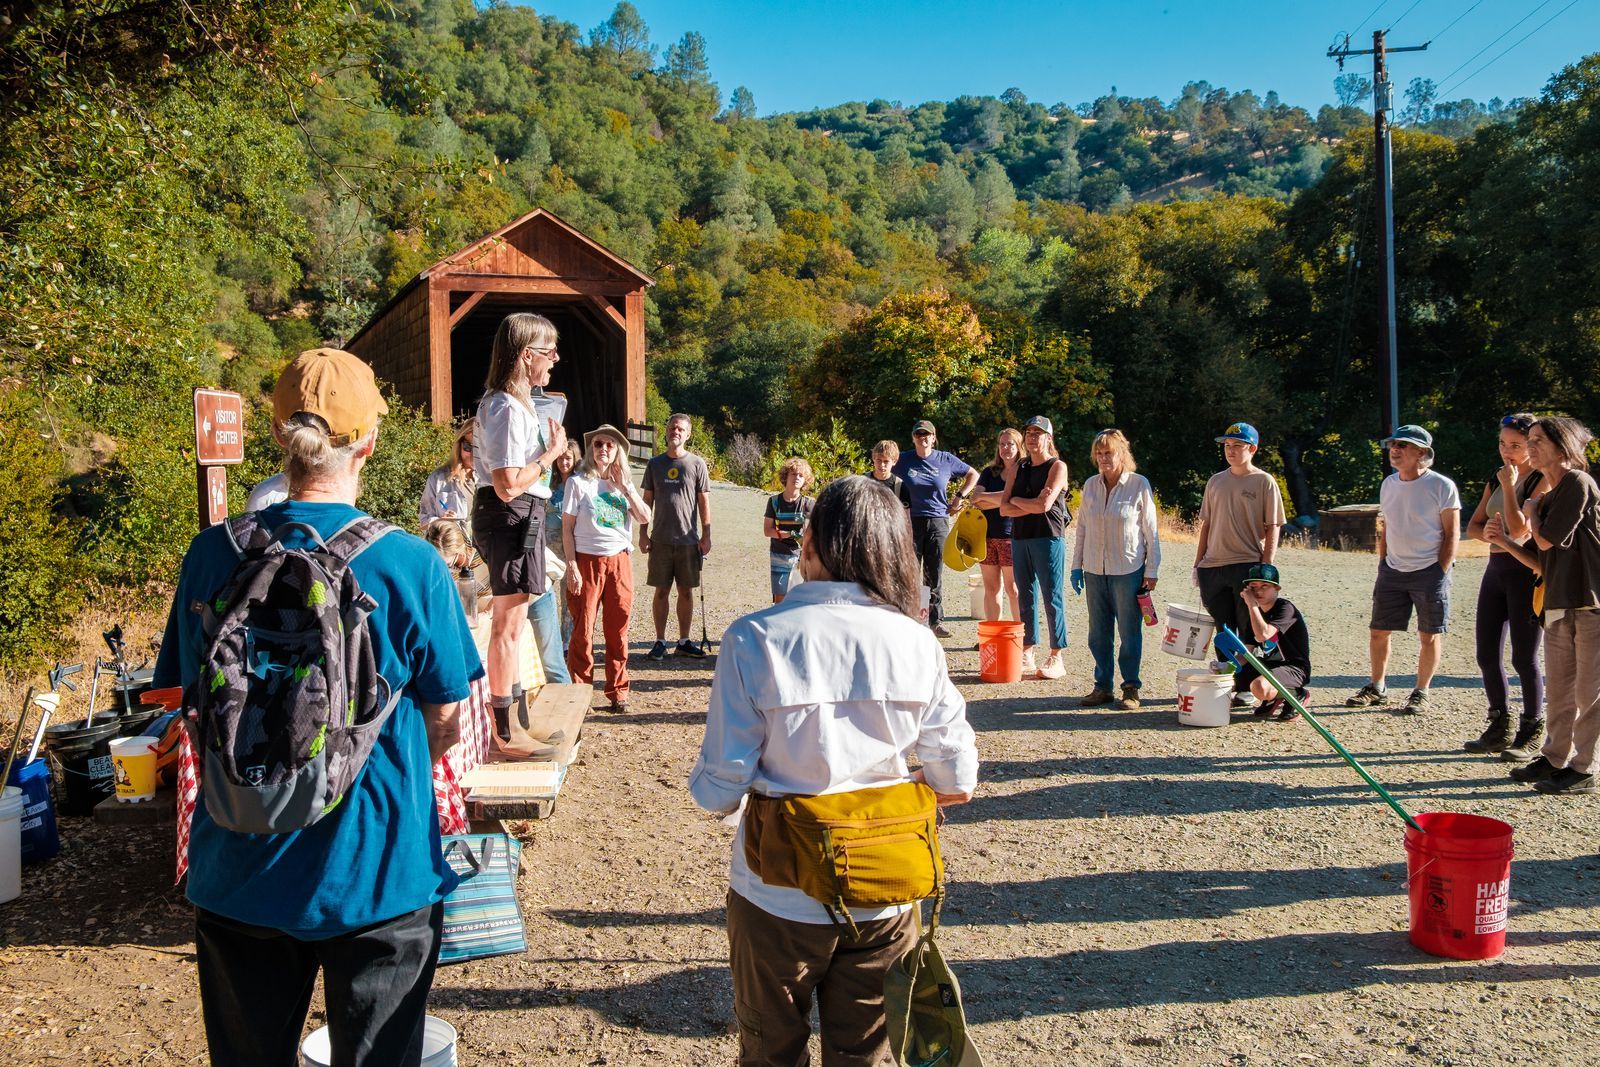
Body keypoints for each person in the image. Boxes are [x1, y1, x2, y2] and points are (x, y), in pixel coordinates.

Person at [152, 348, 478, 1066]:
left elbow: (188, 704)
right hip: (378, 872)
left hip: (238, 870)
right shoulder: (410, 563)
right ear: (368, 441)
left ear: (277, 437)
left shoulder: (211, 556)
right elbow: (447, 720)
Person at [689, 476, 979, 1066]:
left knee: (771, 1050)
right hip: (885, 892)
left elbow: (719, 791)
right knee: (866, 1054)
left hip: (777, 895)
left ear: (812, 544)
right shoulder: (917, 643)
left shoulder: (753, 638)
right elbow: (956, 780)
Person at [472, 313, 569, 744]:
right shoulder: (507, 407)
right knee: (508, 629)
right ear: (527, 356)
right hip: (509, 516)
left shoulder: (512, 404)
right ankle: (506, 736)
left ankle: (515, 729)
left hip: (516, 518)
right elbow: (507, 484)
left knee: (514, 626)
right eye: (549, 352)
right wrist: (551, 455)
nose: (556, 359)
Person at [1506, 417, 1600, 795]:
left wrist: (1530, 509)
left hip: (1590, 603)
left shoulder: (1577, 482)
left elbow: (1547, 541)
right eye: (1529, 439)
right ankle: (1554, 757)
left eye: (1538, 440)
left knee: (1588, 692)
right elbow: (1541, 560)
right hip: (1559, 602)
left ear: (1563, 447)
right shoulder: (1552, 494)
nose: (1530, 446)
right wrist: (1508, 542)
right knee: (1560, 689)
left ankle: (1583, 768)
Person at [1346, 425, 1461, 714]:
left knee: (1429, 635)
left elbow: (1452, 533)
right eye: (1393, 444)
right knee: (1378, 631)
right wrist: (1383, 561)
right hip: (1392, 570)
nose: (1394, 450)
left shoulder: (1441, 486)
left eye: (1403, 445)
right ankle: (1377, 686)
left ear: (1421, 452)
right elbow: (1387, 526)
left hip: (1429, 570)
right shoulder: (1389, 484)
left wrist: (1441, 569)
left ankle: (1421, 691)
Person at [1462, 414, 1546, 756]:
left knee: (1524, 657)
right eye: (1502, 444)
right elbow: (1474, 526)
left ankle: (1532, 727)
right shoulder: (1494, 479)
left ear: (1532, 445)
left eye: (1515, 445)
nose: (1507, 451)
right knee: (1486, 653)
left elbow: (1520, 530)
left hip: (1525, 572)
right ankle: (1499, 723)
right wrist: (1494, 532)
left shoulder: (1540, 481)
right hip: (1495, 569)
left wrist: (1511, 487)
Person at [1194, 422, 1286, 707]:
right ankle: (1226, 684)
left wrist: (1266, 571)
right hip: (1213, 566)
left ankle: (1246, 686)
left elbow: (1273, 527)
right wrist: (1198, 563)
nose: (1230, 451)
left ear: (1252, 449)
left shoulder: (1264, 481)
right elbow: (1206, 525)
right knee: (1224, 630)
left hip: (1246, 565)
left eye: (1237, 446)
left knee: (1247, 629)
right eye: (1227, 446)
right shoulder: (1215, 481)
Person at [562, 424, 651, 712]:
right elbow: (567, 529)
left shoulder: (622, 485)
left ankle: (618, 691)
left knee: (618, 629)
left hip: (619, 561)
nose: (603, 449)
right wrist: (572, 567)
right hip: (587, 561)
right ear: (591, 449)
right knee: (583, 630)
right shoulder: (578, 483)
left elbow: (645, 517)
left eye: (610, 445)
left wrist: (626, 486)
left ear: (617, 452)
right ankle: (580, 693)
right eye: (599, 444)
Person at [1071, 428, 1160, 710]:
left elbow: (1151, 531)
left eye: (1108, 452)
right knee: (1098, 633)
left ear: (1122, 453)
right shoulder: (1091, 485)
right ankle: (1102, 686)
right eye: (1099, 452)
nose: (1103, 457)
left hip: (1128, 570)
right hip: (1095, 571)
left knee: (1129, 631)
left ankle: (1131, 687)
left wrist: (1152, 570)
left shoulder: (1138, 484)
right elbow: (1082, 528)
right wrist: (1076, 566)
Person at [892, 419, 979, 637]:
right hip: (910, 521)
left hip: (938, 520)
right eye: (919, 434)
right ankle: (908, 617)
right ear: (913, 437)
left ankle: (934, 620)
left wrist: (959, 497)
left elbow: (973, 474)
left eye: (927, 434)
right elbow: (882, 471)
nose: (923, 438)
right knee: (909, 570)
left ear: (933, 437)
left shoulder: (945, 459)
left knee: (933, 572)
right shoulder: (903, 460)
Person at [1001, 415, 1072, 680]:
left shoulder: (1057, 467)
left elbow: (1044, 506)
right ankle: (1027, 650)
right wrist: (1025, 502)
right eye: (1029, 432)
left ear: (1048, 438)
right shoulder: (1019, 467)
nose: (1032, 437)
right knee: (1024, 595)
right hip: (1020, 537)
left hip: (1049, 536)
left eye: (1038, 433)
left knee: (1052, 596)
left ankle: (1057, 655)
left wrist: (1019, 501)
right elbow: (1004, 506)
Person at [641, 413, 712, 660]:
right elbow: (646, 501)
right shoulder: (655, 464)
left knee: (686, 591)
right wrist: (642, 532)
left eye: (681, 429)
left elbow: (704, 502)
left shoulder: (696, 464)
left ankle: (683, 641)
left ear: (688, 434)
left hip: (688, 540)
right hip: (660, 539)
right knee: (661, 591)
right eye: (672, 428)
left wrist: (707, 535)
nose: (675, 432)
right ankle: (660, 641)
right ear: (666, 432)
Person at [1235, 563, 1311, 722]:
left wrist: (1252, 605)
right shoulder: (1255, 615)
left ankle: (1296, 694)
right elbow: (1246, 653)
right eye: (1253, 587)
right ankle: (1273, 697)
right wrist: (1225, 668)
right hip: (1268, 665)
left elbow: (1263, 635)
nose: (1259, 591)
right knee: (1231, 678)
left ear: (1277, 588)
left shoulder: (1285, 608)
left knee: (1259, 687)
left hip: (1294, 668)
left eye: (1265, 586)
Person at [972, 428, 1022, 621]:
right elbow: (975, 500)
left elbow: (1021, 498)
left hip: (1012, 536)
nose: (1006, 448)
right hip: (987, 537)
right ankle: (993, 633)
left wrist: (988, 499)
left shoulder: (1023, 471)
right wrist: (1006, 498)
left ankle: (1020, 635)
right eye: (1002, 444)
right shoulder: (989, 472)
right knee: (991, 588)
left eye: (1010, 444)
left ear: (1019, 447)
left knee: (1013, 589)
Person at [764, 457, 815, 604]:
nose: (797, 478)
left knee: (799, 600)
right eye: (793, 474)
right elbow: (767, 530)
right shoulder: (774, 502)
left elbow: (811, 534)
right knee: (780, 601)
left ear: (805, 480)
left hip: (801, 558)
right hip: (778, 554)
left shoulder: (808, 504)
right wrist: (791, 534)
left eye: (801, 475)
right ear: (786, 476)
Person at [548, 440, 582, 646]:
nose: (563, 462)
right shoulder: (548, 484)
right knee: (546, 597)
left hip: (572, 547)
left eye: (568, 458)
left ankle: (568, 643)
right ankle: (550, 643)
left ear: (575, 459)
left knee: (569, 599)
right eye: (560, 458)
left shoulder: (580, 483)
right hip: (549, 547)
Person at [419, 419, 477, 529]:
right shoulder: (438, 479)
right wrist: (441, 522)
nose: (473, 454)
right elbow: (424, 522)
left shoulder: (491, 479)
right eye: (468, 447)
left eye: (479, 448)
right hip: (452, 545)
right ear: (459, 446)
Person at [867, 440, 913, 509]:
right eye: (879, 460)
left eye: (886, 461)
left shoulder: (900, 486)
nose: (882, 465)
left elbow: (906, 516)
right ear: (873, 458)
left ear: (894, 461)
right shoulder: (863, 480)